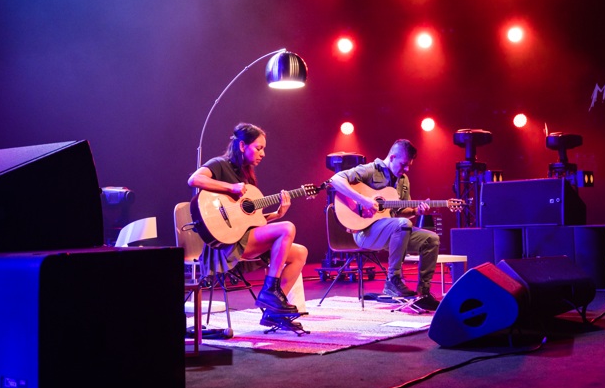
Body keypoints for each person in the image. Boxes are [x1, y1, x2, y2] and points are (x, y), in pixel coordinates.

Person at [188, 122, 308, 330]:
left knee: (299, 253)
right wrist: (230, 187)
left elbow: (249, 222)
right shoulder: (220, 164)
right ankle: (269, 291)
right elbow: (194, 179)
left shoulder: (247, 176)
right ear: (242, 146)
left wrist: (276, 215)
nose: (263, 154)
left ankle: (273, 311)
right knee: (287, 227)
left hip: (243, 239)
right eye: (259, 148)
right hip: (223, 246)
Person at [328, 139, 441, 311]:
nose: (407, 169)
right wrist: (363, 200)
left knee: (431, 239)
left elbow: (400, 213)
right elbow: (335, 179)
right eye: (404, 164)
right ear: (393, 157)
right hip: (365, 233)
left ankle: (423, 293)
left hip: (394, 233)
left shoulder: (403, 181)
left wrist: (417, 212)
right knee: (401, 224)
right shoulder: (371, 170)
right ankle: (392, 280)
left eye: (409, 165)